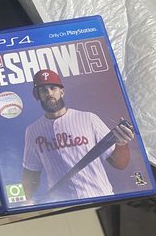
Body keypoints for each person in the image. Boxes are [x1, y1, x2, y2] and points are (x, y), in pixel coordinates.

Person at [22, 69, 134, 202]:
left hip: (100, 196)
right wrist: (27, 199)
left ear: (62, 92)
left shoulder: (89, 119)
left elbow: (120, 163)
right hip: (61, 203)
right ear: (38, 95)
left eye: (53, 88)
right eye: (43, 90)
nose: (49, 93)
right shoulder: (32, 131)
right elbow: (31, 173)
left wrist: (122, 144)